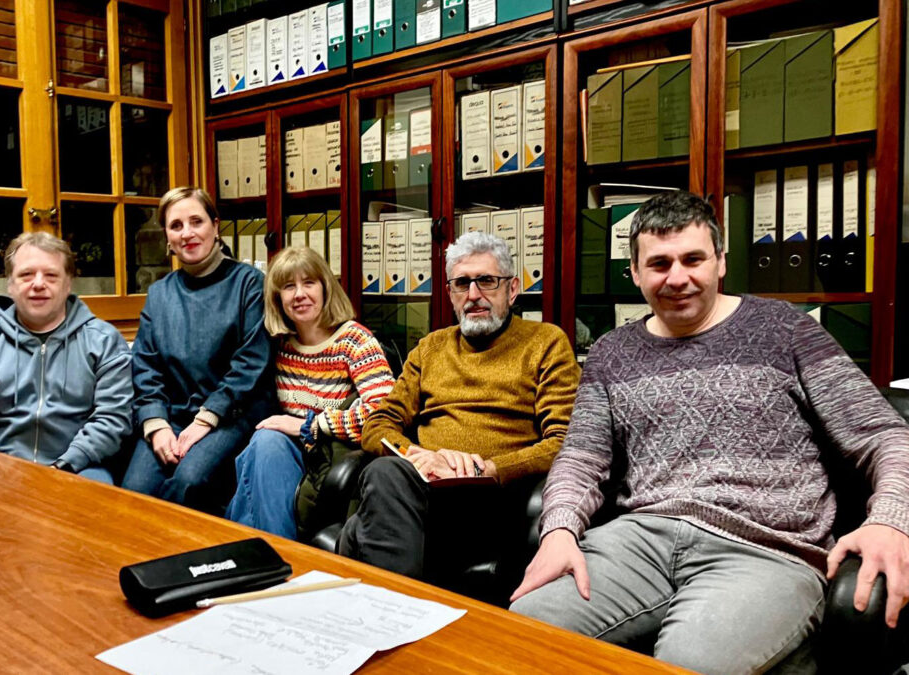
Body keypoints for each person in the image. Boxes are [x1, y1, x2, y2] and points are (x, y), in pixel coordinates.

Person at [510, 191, 909, 674]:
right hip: (638, 542)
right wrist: (558, 530)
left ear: (720, 262)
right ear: (634, 273)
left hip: (764, 549)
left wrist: (889, 520)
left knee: (689, 662)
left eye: (692, 259)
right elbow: (580, 459)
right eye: (658, 264)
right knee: (520, 632)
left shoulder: (784, 329)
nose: (677, 277)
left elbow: (885, 436)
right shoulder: (612, 353)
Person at [338, 231, 580, 583]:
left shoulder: (546, 343)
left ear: (512, 289)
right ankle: (396, 611)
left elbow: (564, 440)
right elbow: (379, 423)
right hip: (421, 491)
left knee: (362, 525)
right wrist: (419, 456)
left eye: (486, 281)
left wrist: (488, 468)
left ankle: (387, 608)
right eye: (462, 284)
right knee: (386, 473)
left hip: (495, 499)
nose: (474, 295)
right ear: (450, 293)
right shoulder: (431, 347)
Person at [225, 246, 395, 539]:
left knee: (265, 444)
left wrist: (311, 425)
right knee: (262, 444)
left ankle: (267, 553)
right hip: (286, 458)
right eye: (289, 286)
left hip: (334, 459)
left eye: (309, 283)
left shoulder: (355, 341)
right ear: (278, 298)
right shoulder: (278, 346)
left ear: (326, 288)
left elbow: (384, 416)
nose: (299, 294)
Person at [121, 187, 273, 512]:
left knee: (189, 482)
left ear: (215, 226)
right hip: (172, 416)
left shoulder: (249, 283)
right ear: (167, 236)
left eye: (196, 221)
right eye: (176, 225)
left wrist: (206, 419)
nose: (187, 233)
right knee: (134, 491)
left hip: (232, 414)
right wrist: (157, 425)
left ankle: (174, 561)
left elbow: (250, 364)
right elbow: (146, 368)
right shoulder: (160, 294)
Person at [0, 232, 132, 483]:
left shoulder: (104, 341)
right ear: (10, 283)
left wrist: (66, 465)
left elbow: (114, 417)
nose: (38, 284)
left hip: (78, 468)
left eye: (51, 275)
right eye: (26, 275)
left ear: (68, 283)